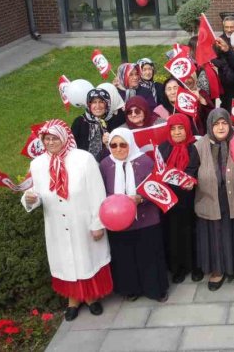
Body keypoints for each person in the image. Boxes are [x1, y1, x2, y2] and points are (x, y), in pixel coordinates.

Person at [22, 119, 112, 321]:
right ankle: (73, 299)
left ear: (64, 138)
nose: (51, 142)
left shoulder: (84, 159)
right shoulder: (37, 164)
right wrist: (30, 199)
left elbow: (97, 193)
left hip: (82, 221)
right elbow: (35, 193)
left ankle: (91, 297)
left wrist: (97, 223)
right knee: (66, 261)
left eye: (54, 138)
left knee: (85, 257)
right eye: (47, 139)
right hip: (56, 224)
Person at [189, 109, 234, 291]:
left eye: (224, 123)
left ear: (230, 124)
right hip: (211, 199)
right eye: (216, 124)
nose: (221, 127)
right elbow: (190, 171)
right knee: (216, 235)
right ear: (210, 126)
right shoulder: (199, 146)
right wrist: (188, 181)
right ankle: (218, 270)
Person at [100, 128, 169, 302]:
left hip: (145, 219)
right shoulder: (106, 164)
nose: (118, 149)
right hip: (117, 222)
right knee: (125, 257)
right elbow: (99, 190)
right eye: (113, 145)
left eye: (123, 144)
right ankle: (130, 289)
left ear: (130, 143)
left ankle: (155, 289)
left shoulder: (145, 161)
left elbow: (156, 187)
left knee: (149, 256)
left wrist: (140, 198)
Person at [158, 113, 204, 284]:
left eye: (181, 128)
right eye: (173, 129)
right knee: (174, 234)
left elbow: (197, 170)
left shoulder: (195, 147)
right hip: (170, 201)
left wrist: (189, 180)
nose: (177, 132)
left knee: (193, 232)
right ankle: (178, 268)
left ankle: (196, 266)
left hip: (192, 198)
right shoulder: (163, 148)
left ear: (187, 129)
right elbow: (159, 172)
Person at [71, 88, 125, 162]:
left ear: (107, 103)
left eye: (101, 102)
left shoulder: (114, 121)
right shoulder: (80, 122)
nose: (98, 106)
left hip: (108, 162)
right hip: (83, 163)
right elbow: (72, 146)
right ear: (89, 104)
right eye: (94, 102)